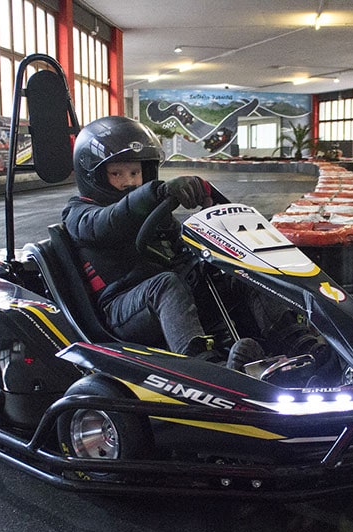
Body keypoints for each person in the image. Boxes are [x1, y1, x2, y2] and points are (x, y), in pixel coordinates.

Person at [62, 115, 263, 369]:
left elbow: (180, 250)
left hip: (163, 295)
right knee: (165, 284)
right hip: (121, 309)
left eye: (136, 172)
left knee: (234, 269)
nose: (130, 181)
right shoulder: (79, 213)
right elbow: (108, 221)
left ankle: (293, 340)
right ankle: (204, 366)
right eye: (117, 173)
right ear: (94, 176)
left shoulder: (152, 210)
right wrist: (153, 193)